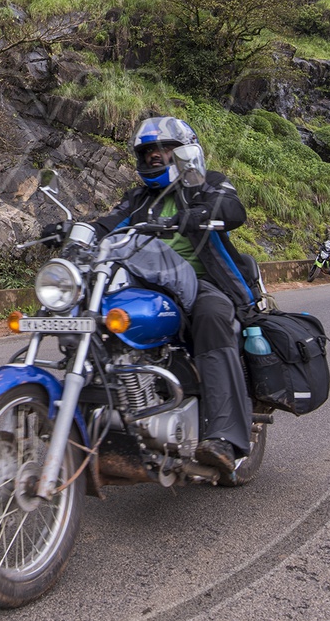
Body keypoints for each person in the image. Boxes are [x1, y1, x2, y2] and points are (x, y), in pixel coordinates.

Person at [86, 116, 259, 481]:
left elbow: (231, 208)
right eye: (148, 151)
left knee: (213, 314)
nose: (155, 156)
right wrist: (75, 231)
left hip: (201, 281)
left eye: (164, 149)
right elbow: (108, 224)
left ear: (184, 152)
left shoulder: (206, 184)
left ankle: (225, 438)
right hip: (146, 284)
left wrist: (196, 214)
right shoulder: (137, 198)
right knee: (94, 314)